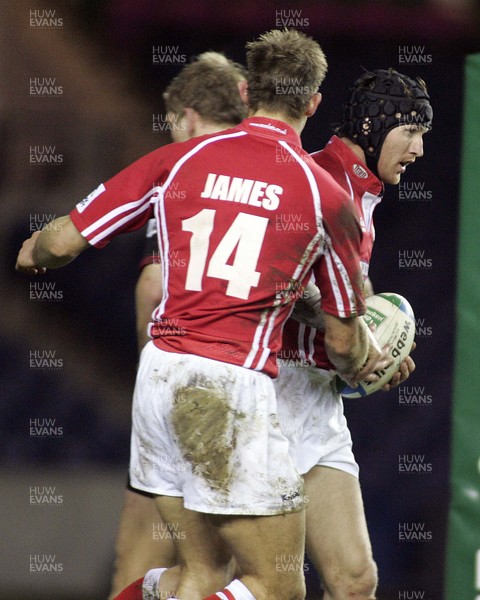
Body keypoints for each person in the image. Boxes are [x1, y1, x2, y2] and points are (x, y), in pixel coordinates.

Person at [16, 29, 390, 600]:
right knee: (276, 589)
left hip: (160, 379)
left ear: (246, 90)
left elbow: (60, 244)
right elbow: (343, 344)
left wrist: (32, 252)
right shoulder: (324, 197)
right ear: (313, 103)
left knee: (201, 576)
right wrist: (370, 355)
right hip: (228, 389)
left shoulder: (179, 158)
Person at [112, 68, 432, 600]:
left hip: (318, 402)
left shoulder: (364, 194)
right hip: (268, 390)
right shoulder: (313, 180)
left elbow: (347, 307)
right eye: (412, 131)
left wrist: (375, 354)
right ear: (375, 126)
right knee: (243, 580)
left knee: (355, 581)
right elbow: (283, 291)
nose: (419, 149)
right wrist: (355, 338)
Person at [109, 51, 248, 600]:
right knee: (230, 567)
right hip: (252, 397)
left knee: (144, 552)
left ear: (187, 117)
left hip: (180, 386)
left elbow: (153, 282)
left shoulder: (185, 173)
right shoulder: (279, 174)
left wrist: (153, 367)